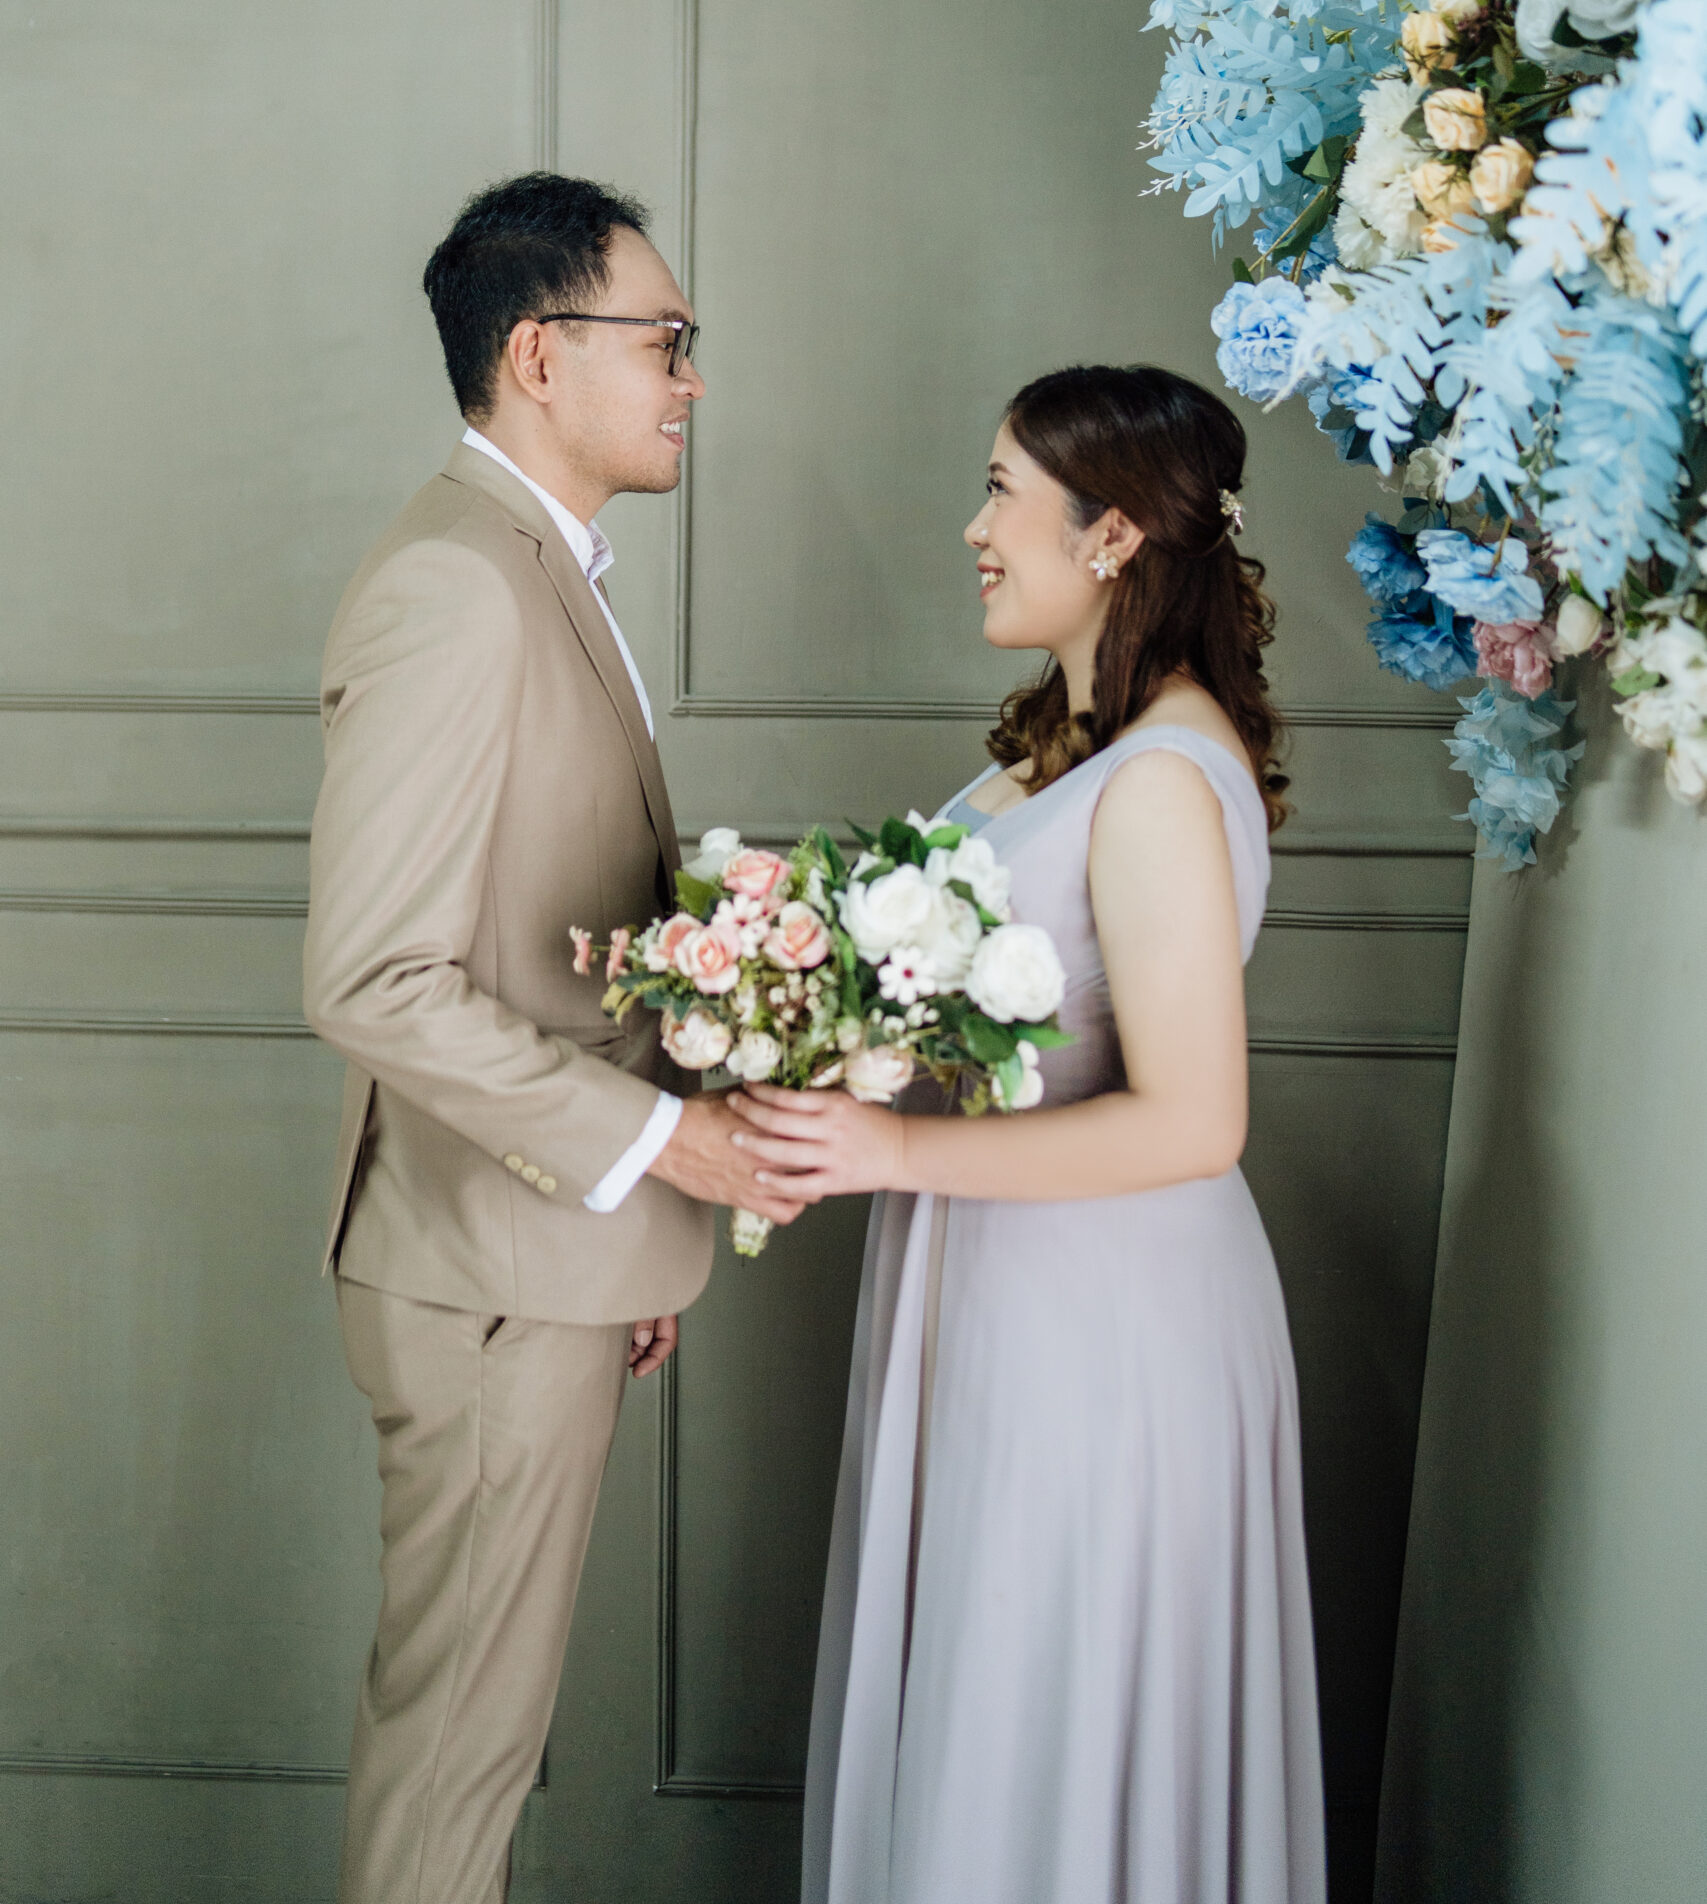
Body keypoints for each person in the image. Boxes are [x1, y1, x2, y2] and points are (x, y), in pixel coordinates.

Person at [731, 363, 1328, 1904]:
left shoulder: (1161, 781)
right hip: (1006, 1295)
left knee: (1045, 1709)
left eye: (1002, 491)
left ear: (1113, 535)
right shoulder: (1071, 747)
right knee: (987, 1708)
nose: (975, 528)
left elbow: (1196, 1118)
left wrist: (890, 1155)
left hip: (1104, 1324)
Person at [303, 172, 801, 1904]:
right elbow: (373, 979)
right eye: (665, 338)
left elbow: (540, 944)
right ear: (537, 353)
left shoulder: (532, 565)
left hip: (542, 1258)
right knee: (457, 1763)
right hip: (487, 1277)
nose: (690, 375)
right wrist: (663, 1148)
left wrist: (626, 1225)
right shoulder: (459, 585)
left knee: (476, 1752)